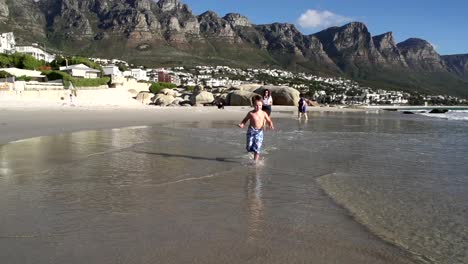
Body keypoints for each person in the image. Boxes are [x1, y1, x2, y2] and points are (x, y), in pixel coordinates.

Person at [238, 95, 274, 161]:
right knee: (249, 146)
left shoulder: (264, 113)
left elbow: (269, 120)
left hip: (259, 132)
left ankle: (255, 161)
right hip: (251, 131)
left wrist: (270, 124)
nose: (258, 107)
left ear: (262, 104)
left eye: (260, 105)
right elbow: (245, 119)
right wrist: (242, 124)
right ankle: (250, 151)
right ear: (253, 105)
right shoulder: (251, 113)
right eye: (256, 105)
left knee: (257, 147)